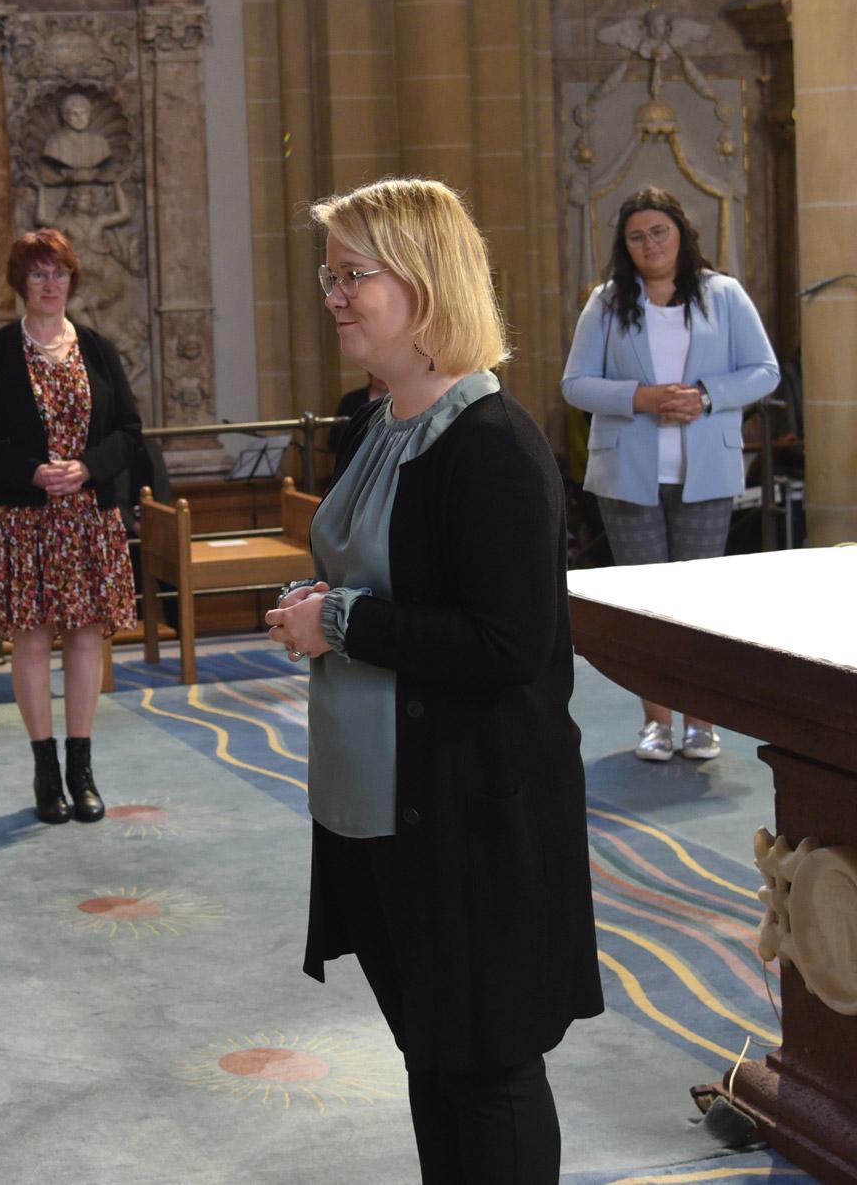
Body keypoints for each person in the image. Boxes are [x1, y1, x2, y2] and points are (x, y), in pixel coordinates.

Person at [265, 178, 601, 1183]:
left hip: (469, 809)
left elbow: (506, 642)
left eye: (353, 275)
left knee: (486, 1066)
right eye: (328, 275)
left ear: (424, 282)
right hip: (383, 805)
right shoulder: (377, 426)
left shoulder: (492, 444)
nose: (333, 295)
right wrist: (324, 599)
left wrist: (336, 620)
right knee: (432, 1053)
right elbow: (387, 574)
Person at [560, 186, 778, 762]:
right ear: (624, 245)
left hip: (706, 472)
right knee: (647, 607)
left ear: (681, 234)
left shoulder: (723, 294)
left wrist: (706, 395)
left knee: (700, 605)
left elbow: (765, 370)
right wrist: (641, 397)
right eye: (637, 236)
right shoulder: (606, 302)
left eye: (659, 232)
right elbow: (575, 384)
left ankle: (701, 721)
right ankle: (656, 722)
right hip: (628, 475)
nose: (650, 244)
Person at [0, 227, 142, 827]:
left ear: (72, 279)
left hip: (88, 518)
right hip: (25, 520)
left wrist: (87, 467)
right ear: (21, 282)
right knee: (32, 639)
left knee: (86, 637)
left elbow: (130, 433)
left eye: (58, 272)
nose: (50, 283)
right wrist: (32, 471)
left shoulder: (98, 349)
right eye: (38, 273)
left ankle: (81, 769)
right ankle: (45, 770)